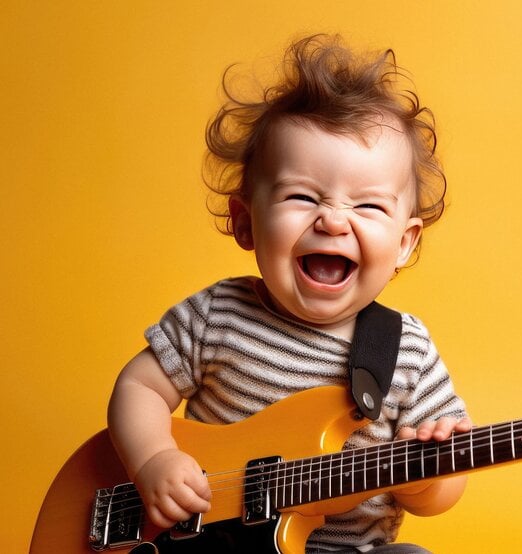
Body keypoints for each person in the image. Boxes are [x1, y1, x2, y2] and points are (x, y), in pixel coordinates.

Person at [108, 34, 471, 553]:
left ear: (404, 244)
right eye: (302, 196)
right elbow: (138, 389)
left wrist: (425, 478)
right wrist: (152, 460)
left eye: (368, 207)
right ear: (245, 223)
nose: (333, 219)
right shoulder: (217, 315)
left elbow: (441, 497)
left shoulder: (407, 351)